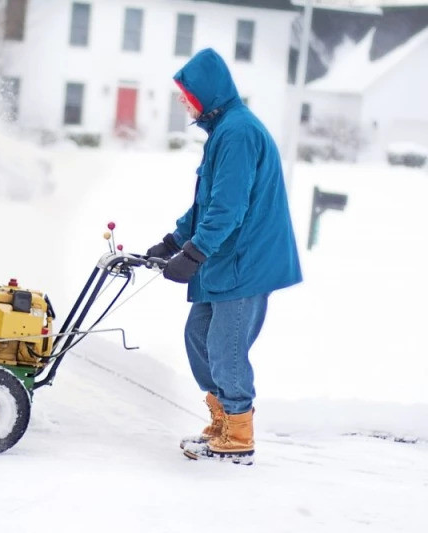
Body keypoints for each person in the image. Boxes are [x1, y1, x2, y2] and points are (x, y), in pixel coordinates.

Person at [146, 48, 302, 464]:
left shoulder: (237, 133)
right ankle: (223, 420)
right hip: (229, 255)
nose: (182, 102)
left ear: (206, 93)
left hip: (247, 260)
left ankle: (238, 437)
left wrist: (194, 253)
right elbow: (208, 203)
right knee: (199, 335)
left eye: (186, 95)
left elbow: (228, 208)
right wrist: (174, 241)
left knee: (225, 346)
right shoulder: (224, 130)